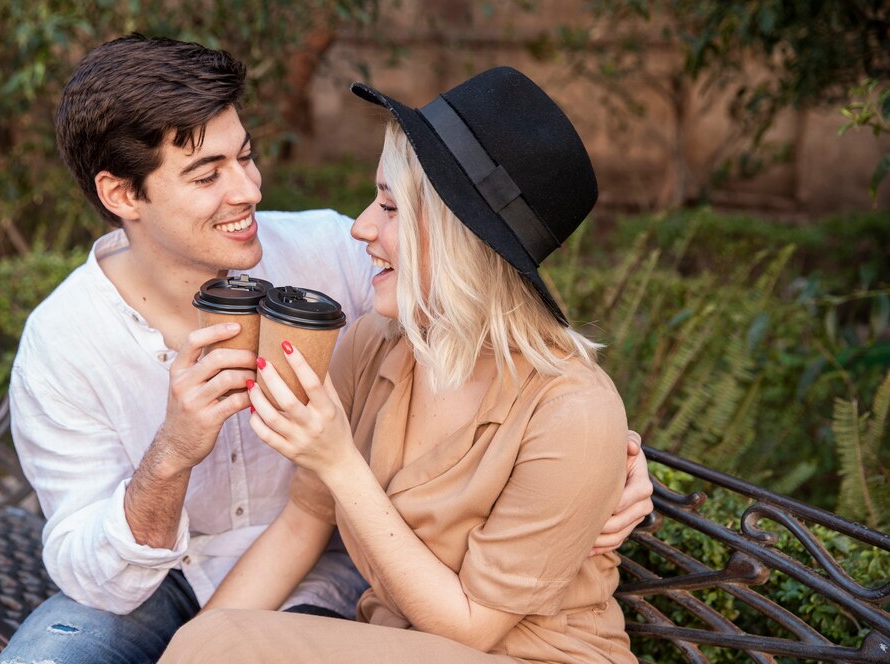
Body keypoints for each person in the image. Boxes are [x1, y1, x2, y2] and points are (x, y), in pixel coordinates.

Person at [0, 34, 652, 664]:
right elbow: (100, 569)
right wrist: (172, 453)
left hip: (372, 598)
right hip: (168, 579)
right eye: (207, 174)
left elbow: (534, 370)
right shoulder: (67, 343)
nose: (250, 190)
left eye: (246, 157)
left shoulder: (339, 270)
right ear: (121, 195)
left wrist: (611, 468)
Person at [160, 67, 641, 663]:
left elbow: (472, 629)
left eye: (389, 207)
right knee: (211, 639)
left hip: (528, 656)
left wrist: (340, 463)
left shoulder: (572, 412)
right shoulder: (374, 348)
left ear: (461, 238)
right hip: (396, 644)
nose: (361, 226)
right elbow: (299, 527)